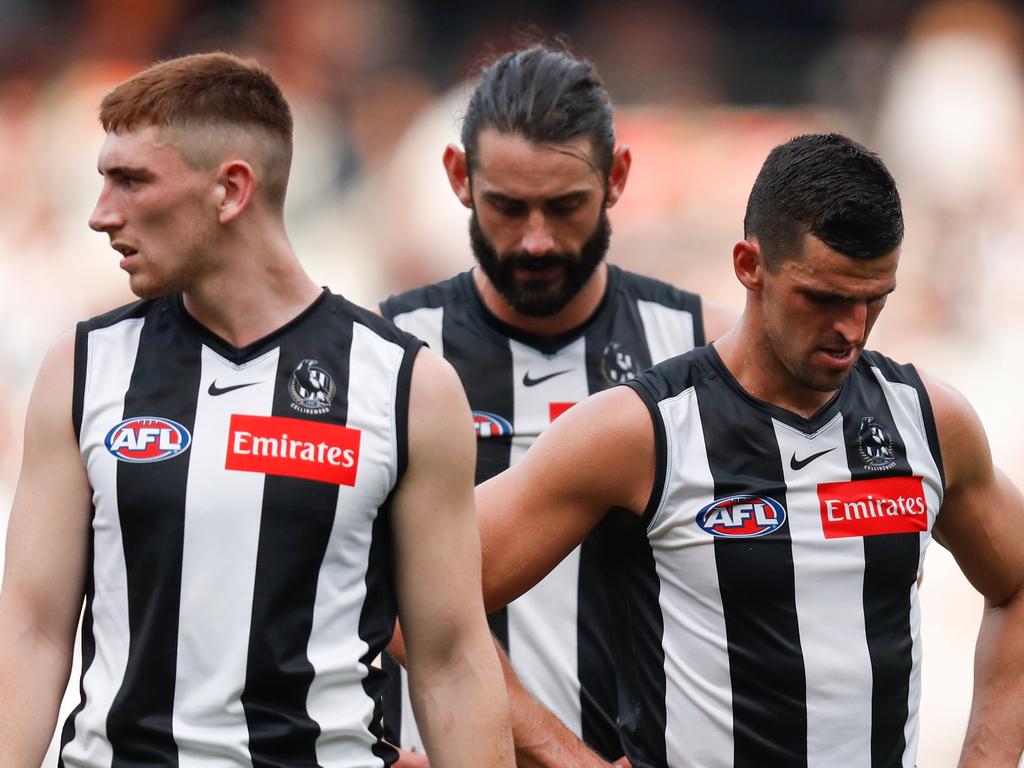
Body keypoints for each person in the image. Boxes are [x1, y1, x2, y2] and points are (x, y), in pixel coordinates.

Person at [0, 52, 513, 768]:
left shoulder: (406, 386)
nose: (99, 214)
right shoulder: (82, 369)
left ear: (231, 188)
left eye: (131, 180)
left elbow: (451, 657)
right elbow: (31, 628)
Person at [470, 133, 1024, 766]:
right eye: (824, 297)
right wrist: (569, 760)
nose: (850, 329)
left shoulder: (929, 422)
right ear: (748, 265)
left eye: (874, 300)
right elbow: (424, 592)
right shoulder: (640, 432)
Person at [377, 45, 736, 765]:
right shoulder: (384, 353)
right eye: (507, 207)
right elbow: (356, 582)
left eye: (565, 205)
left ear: (618, 178)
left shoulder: (705, 349)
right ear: (458, 177)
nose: (536, 239)